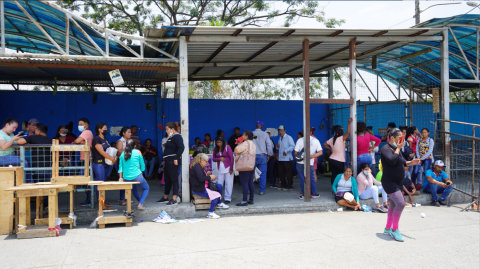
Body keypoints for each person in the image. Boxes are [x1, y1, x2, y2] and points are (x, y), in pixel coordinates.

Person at [381, 128, 421, 242]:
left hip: (398, 183)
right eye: (400, 138)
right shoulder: (386, 149)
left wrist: (412, 162)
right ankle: (395, 230)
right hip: (389, 182)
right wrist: (398, 148)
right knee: (400, 203)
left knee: (394, 205)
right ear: (392, 138)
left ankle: (388, 227)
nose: (402, 140)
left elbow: (403, 162)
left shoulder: (396, 149)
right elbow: (392, 160)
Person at [190, 153, 228, 218]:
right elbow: (201, 179)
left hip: (204, 186)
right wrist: (210, 177)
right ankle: (210, 213)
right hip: (199, 189)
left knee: (219, 186)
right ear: (202, 160)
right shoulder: (197, 167)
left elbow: (202, 178)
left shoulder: (200, 166)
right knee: (216, 195)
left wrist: (210, 177)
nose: (207, 163)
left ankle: (219, 203)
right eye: (206, 161)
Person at [157, 122, 185, 206]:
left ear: (172, 129)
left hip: (173, 160)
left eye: (167, 129)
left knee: (174, 179)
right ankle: (166, 197)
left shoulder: (177, 136)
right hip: (167, 160)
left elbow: (182, 147)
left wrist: (176, 158)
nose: (166, 131)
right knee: (167, 179)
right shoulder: (171, 137)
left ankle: (174, 199)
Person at [91, 122, 117, 210]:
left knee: (103, 184)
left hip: (105, 164)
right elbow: (101, 152)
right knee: (100, 184)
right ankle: (100, 204)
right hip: (99, 164)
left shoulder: (105, 139)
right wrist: (112, 159)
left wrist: (114, 157)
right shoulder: (96, 139)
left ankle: (103, 202)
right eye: (104, 128)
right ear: (99, 129)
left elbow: (109, 150)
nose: (106, 130)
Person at [118, 139, 150, 210]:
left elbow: (120, 168)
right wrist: (141, 171)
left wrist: (120, 178)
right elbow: (142, 165)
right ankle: (140, 204)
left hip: (125, 178)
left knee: (134, 190)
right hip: (137, 176)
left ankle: (140, 201)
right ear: (135, 146)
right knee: (146, 188)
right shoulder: (138, 152)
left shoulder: (123, 154)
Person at [294, 127, 323, 199]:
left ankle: (304, 194)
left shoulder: (299, 140)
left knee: (301, 178)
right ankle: (313, 193)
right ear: (311, 132)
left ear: (303, 132)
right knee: (311, 177)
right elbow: (320, 152)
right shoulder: (316, 141)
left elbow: (295, 153)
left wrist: (299, 158)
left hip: (300, 162)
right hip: (310, 162)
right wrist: (310, 157)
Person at [72, 118, 95, 206]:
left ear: (86, 125)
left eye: (81, 124)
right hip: (84, 159)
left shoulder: (86, 132)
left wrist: (74, 141)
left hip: (87, 160)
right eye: (79, 124)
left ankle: (90, 199)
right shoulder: (85, 132)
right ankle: (89, 198)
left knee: (82, 179)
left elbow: (77, 141)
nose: (79, 126)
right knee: (84, 180)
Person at [323, 118, 352, 186]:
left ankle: (334, 189)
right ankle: (338, 188)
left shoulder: (332, 139)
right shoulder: (341, 138)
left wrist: (330, 149)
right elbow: (348, 133)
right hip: (339, 161)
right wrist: (349, 123)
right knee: (340, 175)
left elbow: (324, 144)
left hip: (331, 159)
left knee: (334, 175)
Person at [234, 130, 257, 206]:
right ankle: (251, 199)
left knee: (244, 183)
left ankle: (244, 201)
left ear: (247, 136)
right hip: (251, 165)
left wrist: (239, 143)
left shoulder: (245, 143)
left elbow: (236, 150)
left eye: (243, 135)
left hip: (244, 166)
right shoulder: (253, 144)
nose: (242, 136)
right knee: (250, 182)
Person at [252, 121, 274, 195]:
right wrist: (269, 155)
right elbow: (269, 145)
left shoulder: (251, 134)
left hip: (252, 156)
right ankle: (261, 190)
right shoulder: (265, 134)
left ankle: (249, 189)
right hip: (262, 156)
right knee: (263, 174)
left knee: (251, 173)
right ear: (262, 126)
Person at [212, 137, 234, 204]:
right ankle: (219, 198)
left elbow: (232, 157)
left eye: (220, 142)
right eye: (217, 142)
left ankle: (228, 198)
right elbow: (213, 159)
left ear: (223, 142)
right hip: (220, 169)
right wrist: (219, 159)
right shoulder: (215, 149)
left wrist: (231, 168)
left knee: (228, 183)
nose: (218, 144)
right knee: (219, 184)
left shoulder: (227, 147)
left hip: (228, 168)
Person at [115, 127, 131, 205]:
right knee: (123, 180)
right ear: (123, 133)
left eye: (130, 132)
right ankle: (122, 199)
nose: (130, 134)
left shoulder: (129, 141)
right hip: (122, 163)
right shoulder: (120, 141)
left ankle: (127, 198)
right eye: (128, 132)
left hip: (128, 163)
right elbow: (118, 153)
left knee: (129, 180)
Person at [276, 125, 295, 190]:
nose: (280, 132)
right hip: (281, 158)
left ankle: (290, 185)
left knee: (288, 172)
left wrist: (286, 151)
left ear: (285, 131)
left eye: (281, 131)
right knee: (281, 172)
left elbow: (292, 146)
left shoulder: (288, 137)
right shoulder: (279, 138)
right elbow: (278, 147)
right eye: (279, 131)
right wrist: (277, 146)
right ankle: (283, 185)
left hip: (287, 158)